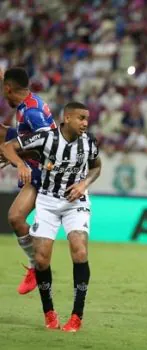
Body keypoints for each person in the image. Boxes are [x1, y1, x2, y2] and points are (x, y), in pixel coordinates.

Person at [0, 102, 101, 332]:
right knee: (42, 259)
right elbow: (8, 147)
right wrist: (20, 165)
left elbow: (97, 167)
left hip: (76, 202)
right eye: (81, 118)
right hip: (47, 202)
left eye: (87, 119)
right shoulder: (46, 138)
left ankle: (77, 316)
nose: (85, 123)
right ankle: (49, 313)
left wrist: (84, 183)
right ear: (66, 118)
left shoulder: (89, 142)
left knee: (80, 250)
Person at [0, 67, 56, 294]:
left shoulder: (31, 113)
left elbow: (49, 143)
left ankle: (37, 266)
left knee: (15, 217)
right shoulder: (28, 101)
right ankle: (37, 263)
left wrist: (18, 158)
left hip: (47, 171)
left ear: (8, 89)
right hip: (36, 164)